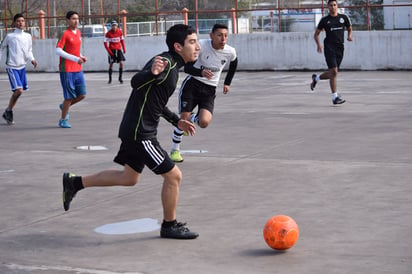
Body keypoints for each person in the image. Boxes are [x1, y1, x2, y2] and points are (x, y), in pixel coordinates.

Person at [62, 24, 200, 240]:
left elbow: (155, 101)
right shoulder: (165, 64)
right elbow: (136, 82)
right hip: (140, 133)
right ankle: (169, 225)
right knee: (174, 176)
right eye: (192, 42)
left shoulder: (171, 65)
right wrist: (150, 72)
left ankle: (75, 182)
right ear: (178, 46)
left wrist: (176, 121)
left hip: (135, 128)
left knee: (129, 178)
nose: (197, 47)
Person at [170, 23, 238, 162]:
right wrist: (200, 72)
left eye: (225, 36)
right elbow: (187, 68)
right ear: (211, 36)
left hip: (209, 90)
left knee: (204, 122)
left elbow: (234, 63)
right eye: (219, 35)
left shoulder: (230, 51)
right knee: (183, 120)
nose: (223, 39)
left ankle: (192, 118)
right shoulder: (201, 45)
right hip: (192, 85)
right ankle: (175, 150)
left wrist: (227, 82)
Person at [310, 0, 352, 105]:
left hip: (340, 48)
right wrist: (319, 45)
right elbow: (316, 35)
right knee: (334, 72)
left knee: (333, 73)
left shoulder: (343, 18)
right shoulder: (325, 20)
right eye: (331, 5)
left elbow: (350, 28)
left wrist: (349, 36)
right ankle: (335, 97)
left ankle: (316, 78)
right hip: (329, 47)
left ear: (337, 6)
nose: (333, 7)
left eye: (334, 5)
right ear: (328, 7)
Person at [1, 13, 37, 125]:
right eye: (18, 21)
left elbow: (29, 50)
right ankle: (9, 110)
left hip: (22, 67)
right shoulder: (10, 36)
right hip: (12, 66)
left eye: (22, 21)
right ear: (14, 23)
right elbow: (2, 49)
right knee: (19, 90)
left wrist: (32, 59)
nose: (20, 23)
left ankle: (8, 110)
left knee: (19, 92)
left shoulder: (28, 36)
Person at [56, 11, 87, 128]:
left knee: (82, 95)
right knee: (69, 97)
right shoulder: (65, 33)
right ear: (68, 20)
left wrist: (81, 56)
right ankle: (62, 120)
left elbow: (75, 50)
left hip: (78, 69)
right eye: (73, 19)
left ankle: (64, 106)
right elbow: (58, 50)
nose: (76, 21)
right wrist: (75, 58)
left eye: (77, 18)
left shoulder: (78, 32)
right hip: (67, 69)